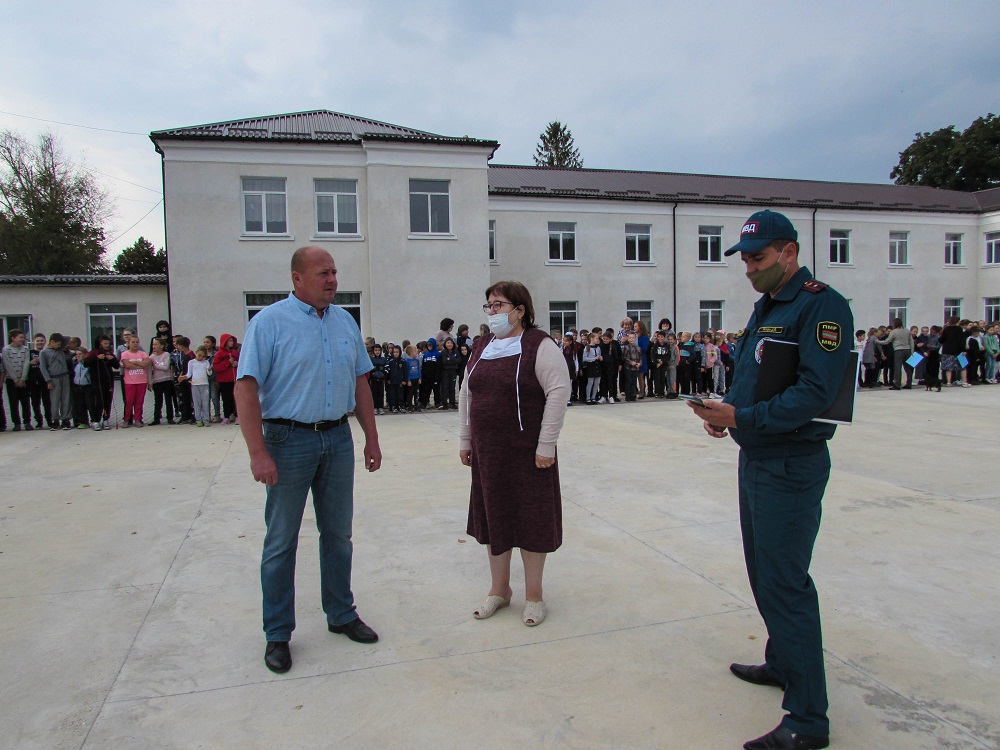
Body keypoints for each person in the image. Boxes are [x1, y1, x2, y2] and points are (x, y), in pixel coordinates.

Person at [686, 210, 852, 750]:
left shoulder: (821, 305)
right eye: (745, 259)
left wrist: (744, 418)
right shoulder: (769, 306)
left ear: (789, 252)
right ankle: (783, 663)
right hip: (758, 458)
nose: (749, 268)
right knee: (764, 577)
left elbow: (815, 392)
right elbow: (755, 377)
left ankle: (807, 720)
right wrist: (726, 412)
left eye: (757, 258)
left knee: (786, 583)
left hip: (791, 464)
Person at [235, 246, 382, 675]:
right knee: (281, 540)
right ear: (297, 278)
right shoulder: (268, 323)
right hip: (287, 441)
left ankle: (341, 613)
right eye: (323, 273)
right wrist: (258, 452)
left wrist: (371, 438)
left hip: (337, 438)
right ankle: (278, 633)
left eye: (334, 272)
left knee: (338, 534)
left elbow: (360, 382)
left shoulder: (345, 321)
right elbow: (245, 388)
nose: (332, 280)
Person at [459, 280, 570, 628]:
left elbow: (558, 392)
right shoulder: (481, 346)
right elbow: (466, 395)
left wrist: (546, 444)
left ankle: (534, 596)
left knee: (531, 519)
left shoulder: (539, 345)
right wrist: (465, 440)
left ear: (520, 310)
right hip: (489, 452)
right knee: (495, 518)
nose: (492, 312)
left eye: (499, 305)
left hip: (528, 453)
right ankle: (500, 590)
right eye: (489, 306)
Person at [39, 333, 73, 430]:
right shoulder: (44, 352)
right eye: (58, 344)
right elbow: (43, 368)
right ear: (52, 341)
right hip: (54, 378)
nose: (59, 346)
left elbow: (67, 337)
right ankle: (55, 419)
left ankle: (66, 419)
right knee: (55, 400)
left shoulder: (60, 349)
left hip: (64, 376)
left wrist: (60, 339)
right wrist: (48, 381)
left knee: (66, 399)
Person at [85, 335, 119, 429]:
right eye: (105, 343)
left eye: (108, 343)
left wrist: (112, 359)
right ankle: (95, 420)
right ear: (100, 344)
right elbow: (86, 363)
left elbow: (116, 366)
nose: (107, 345)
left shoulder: (110, 353)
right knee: (98, 402)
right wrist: (96, 358)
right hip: (97, 382)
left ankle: (105, 419)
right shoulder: (93, 353)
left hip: (108, 381)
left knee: (108, 401)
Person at [2, 330, 34, 431]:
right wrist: (15, 379)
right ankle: (16, 423)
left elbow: (26, 363)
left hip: (23, 380)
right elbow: (7, 365)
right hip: (11, 380)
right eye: (20, 337)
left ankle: (27, 422)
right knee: (13, 402)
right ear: (13, 338)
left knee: (25, 402)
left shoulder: (25, 349)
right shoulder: (6, 350)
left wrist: (23, 379)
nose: (22, 339)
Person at [119, 336, 150, 427]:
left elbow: (146, 363)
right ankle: (126, 419)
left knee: (139, 401)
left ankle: (137, 419)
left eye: (137, 342)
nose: (135, 344)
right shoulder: (125, 354)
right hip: (130, 381)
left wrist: (134, 362)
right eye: (133, 342)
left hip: (142, 381)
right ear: (129, 343)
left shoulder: (142, 353)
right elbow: (127, 365)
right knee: (129, 401)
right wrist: (140, 365)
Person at [148, 338, 175, 425]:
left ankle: (170, 418)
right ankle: (156, 418)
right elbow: (149, 370)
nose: (154, 346)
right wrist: (149, 382)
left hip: (167, 380)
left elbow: (166, 367)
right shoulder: (151, 357)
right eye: (153, 344)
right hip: (157, 381)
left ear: (162, 346)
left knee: (168, 400)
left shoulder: (166, 354)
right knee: (158, 401)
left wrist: (155, 365)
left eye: (156, 344)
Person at [27, 333, 52, 429]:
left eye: (42, 341)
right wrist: (30, 363)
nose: (40, 342)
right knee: (35, 403)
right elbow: (24, 366)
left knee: (47, 402)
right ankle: (39, 422)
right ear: (34, 342)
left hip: (45, 382)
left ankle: (50, 421)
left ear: (45, 342)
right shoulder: (29, 353)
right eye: (38, 341)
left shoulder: (47, 353)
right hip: (33, 382)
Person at [213, 334, 240, 422]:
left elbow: (241, 362)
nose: (232, 343)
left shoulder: (235, 353)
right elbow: (216, 367)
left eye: (232, 341)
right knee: (226, 398)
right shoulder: (219, 354)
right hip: (224, 380)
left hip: (234, 379)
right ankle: (226, 415)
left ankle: (237, 415)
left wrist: (237, 364)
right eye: (230, 341)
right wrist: (228, 363)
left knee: (235, 398)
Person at [186, 346, 213, 426]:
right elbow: (189, 374)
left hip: (204, 384)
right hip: (195, 384)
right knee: (196, 402)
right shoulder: (191, 362)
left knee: (205, 402)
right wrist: (184, 377)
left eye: (203, 356)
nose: (201, 357)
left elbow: (209, 374)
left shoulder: (206, 362)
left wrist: (209, 370)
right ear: (196, 353)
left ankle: (206, 419)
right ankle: (198, 419)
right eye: (199, 355)